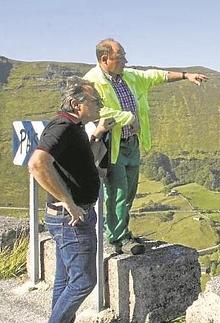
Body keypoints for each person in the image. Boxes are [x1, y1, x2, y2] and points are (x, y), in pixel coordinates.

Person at [83, 38, 208, 255]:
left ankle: (119, 230)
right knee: (117, 191)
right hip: (112, 146)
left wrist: (186, 75)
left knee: (129, 191)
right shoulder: (91, 82)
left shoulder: (128, 76)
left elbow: (155, 75)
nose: (125, 60)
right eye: (120, 57)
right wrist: (128, 117)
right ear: (105, 59)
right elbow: (92, 112)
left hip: (132, 143)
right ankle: (117, 237)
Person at [28, 77, 115, 323]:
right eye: (95, 100)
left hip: (68, 217)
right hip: (72, 219)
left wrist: (97, 134)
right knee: (84, 281)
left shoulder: (72, 126)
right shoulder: (62, 127)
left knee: (65, 279)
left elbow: (69, 161)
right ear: (77, 104)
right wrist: (68, 201)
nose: (99, 104)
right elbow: (37, 163)